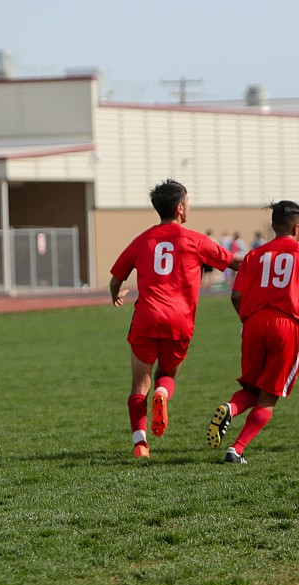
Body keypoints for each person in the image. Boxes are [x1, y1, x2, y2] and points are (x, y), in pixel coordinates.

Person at [206, 200, 299, 463]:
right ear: (298, 228)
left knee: (251, 387)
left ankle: (230, 407)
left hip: (253, 324)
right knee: (270, 395)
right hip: (287, 326)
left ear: (273, 226)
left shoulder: (253, 256)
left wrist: (247, 320)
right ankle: (236, 449)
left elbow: (236, 295)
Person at [109, 179, 240, 459]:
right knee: (166, 375)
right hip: (179, 321)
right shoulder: (195, 240)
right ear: (180, 208)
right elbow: (235, 263)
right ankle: (163, 394)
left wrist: (115, 293)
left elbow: (116, 277)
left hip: (146, 317)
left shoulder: (143, 239)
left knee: (137, 385)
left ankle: (140, 443)